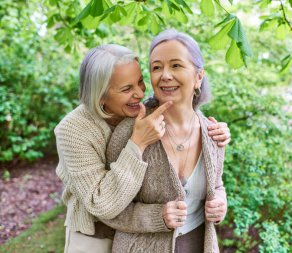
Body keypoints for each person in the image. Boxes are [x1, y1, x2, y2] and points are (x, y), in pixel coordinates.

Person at [54, 44, 230, 253]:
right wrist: (137, 143)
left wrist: (211, 132)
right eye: (127, 89)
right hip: (95, 235)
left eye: (140, 82)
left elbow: (181, 106)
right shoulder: (73, 130)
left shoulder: (141, 110)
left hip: (142, 237)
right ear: (100, 96)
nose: (139, 94)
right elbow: (101, 202)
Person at [102, 29, 227, 253]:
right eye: (156, 67)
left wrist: (220, 201)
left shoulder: (214, 133)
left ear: (199, 76)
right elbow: (108, 208)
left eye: (176, 65)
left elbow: (217, 185)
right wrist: (157, 216)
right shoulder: (130, 133)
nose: (165, 75)